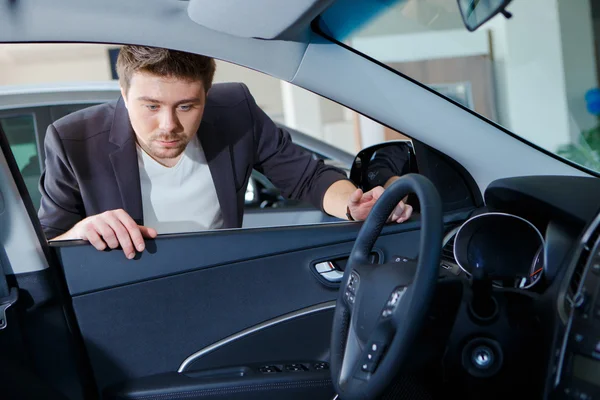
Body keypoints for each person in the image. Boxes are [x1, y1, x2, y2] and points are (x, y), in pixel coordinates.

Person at [38, 45, 413, 259]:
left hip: (219, 272)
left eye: (186, 106)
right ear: (123, 95)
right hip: (128, 289)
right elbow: (48, 243)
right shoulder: (72, 140)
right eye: (151, 106)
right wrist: (82, 230)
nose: (168, 124)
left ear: (207, 94)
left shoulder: (235, 109)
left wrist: (354, 205)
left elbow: (307, 177)